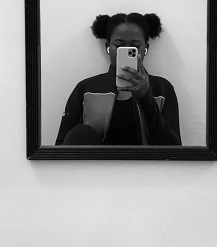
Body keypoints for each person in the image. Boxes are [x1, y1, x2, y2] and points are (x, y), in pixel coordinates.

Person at [55, 12, 181, 146]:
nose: (126, 50)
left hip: (148, 161)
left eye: (135, 47)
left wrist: (146, 98)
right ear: (107, 47)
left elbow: (174, 148)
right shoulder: (86, 89)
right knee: (81, 133)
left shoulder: (162, 89)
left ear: (146, 49)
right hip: (96, 160)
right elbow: (61, 146)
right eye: (119, 46)